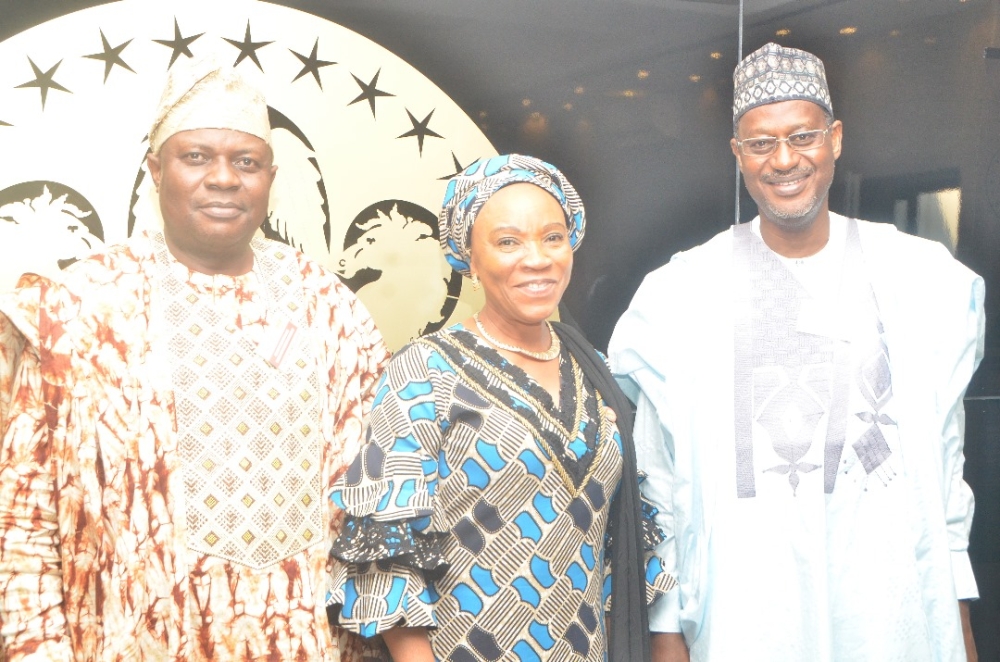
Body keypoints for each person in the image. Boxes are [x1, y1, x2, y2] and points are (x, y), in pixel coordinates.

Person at [0, 59, 389, 660]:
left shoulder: (331, 310)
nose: (224, 179)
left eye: (247, 162)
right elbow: (23, 524)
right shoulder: (79, 309)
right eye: (197, 157)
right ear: (156, 170)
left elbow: (378, 508)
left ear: (271, 178)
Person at [610, 42, 985, 662]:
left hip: (890, 618)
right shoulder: (681, 293)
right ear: (738, 154)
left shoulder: (920, 279)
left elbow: (944, 472)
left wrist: (958, 620)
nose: (784, 160)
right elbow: (660, 479)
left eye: (803, 136)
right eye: (761, 143)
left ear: (835, 139)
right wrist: (667, 630)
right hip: (745, 622)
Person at [327, 154, 677, 662]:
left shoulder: (598, 372)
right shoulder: (425, 371)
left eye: (552, 237)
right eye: (508, 241)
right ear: (467, 255)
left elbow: (624, 549)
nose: (536, 259)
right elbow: (389, 560)